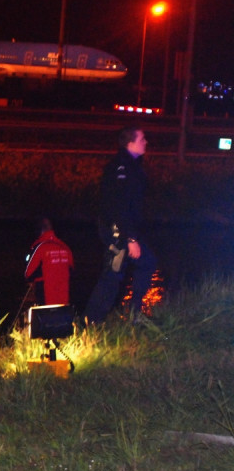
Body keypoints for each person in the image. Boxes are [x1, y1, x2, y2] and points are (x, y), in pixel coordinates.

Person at [83, 126, 157, 324]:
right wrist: (131, 238)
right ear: (130, 143)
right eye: (142, 139)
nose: (146, 142)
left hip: (125, 228)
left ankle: (131, 314)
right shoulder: (121, 168)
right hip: (118, 230)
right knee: (113, 274)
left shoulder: (133, 166)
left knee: (141, 265)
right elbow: (119, 206)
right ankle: (92, 321)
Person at [24, 217, 74, 305]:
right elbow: (72, 270)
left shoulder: (40, 247)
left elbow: (28, 274)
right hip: (64, 302)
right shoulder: (65, 248)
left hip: (45, 301)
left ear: (40, 230)